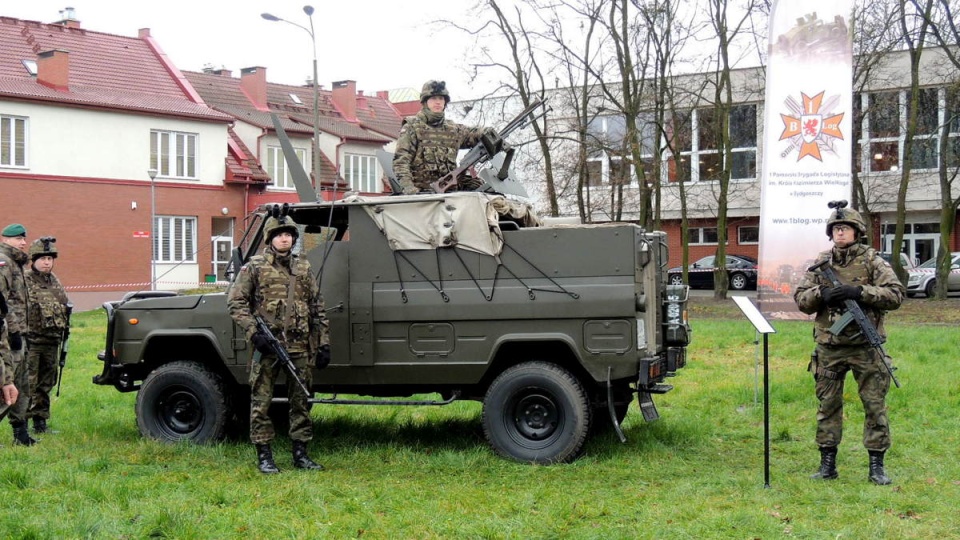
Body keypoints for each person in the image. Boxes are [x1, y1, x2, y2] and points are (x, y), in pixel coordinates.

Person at [794, 202, 905, 485]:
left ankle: (876, 466)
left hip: (866, 348)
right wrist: (823, 294)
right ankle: (827, 464)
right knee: (827, 406)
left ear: (857, 232)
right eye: (836, 228)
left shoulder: (872, 261)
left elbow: (895, 295)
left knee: (874, 405)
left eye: (845, 228)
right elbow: (801, 300)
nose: (840, 232)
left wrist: (860, 292)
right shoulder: (822, 263)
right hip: (829, 348)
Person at [227, 213, 328, 474]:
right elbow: (236, 303)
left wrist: (323, 343)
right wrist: (254, 333)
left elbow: (317, 306)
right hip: (268, 347)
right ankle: (264, 456)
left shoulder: (302, 267)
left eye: (289, 235)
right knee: (261, 402)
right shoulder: (255, 266)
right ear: (270, 239)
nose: (284, 238)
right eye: (279, 235)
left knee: (301, 401)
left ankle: (300, 454)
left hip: (299, 347)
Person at [392, 80, 499, 194]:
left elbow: (473, 134)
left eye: (441, 99)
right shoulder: (412, 127)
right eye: (433, 98)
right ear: (425, 102)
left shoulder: (452, 129)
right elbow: (401, 162)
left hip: (451, 196)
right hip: (424, 196)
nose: (438, 102)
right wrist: (409, 189)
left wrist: (486, 132)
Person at [24, 237, 71, 434]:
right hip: (31, 342)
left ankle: (40, 423)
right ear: (33, 260)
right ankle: (21, 426)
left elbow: (64, 306)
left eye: (50, 258)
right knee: (28, 385)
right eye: (43, 258)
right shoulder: (25, 280)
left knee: (46, 384)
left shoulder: (54, 281)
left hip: (52, 341)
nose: (47, 262)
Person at [0, 223, 35, 445]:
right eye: (19, 238)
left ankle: (20, 434)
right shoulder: (4, 263)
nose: (24, 242)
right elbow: (1, 301)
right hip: (8, 335)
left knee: (22, 384)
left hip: (20, 333)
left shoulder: (17, 263)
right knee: (6, 382)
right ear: (6, 239)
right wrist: (12, 331)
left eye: (24, 239)